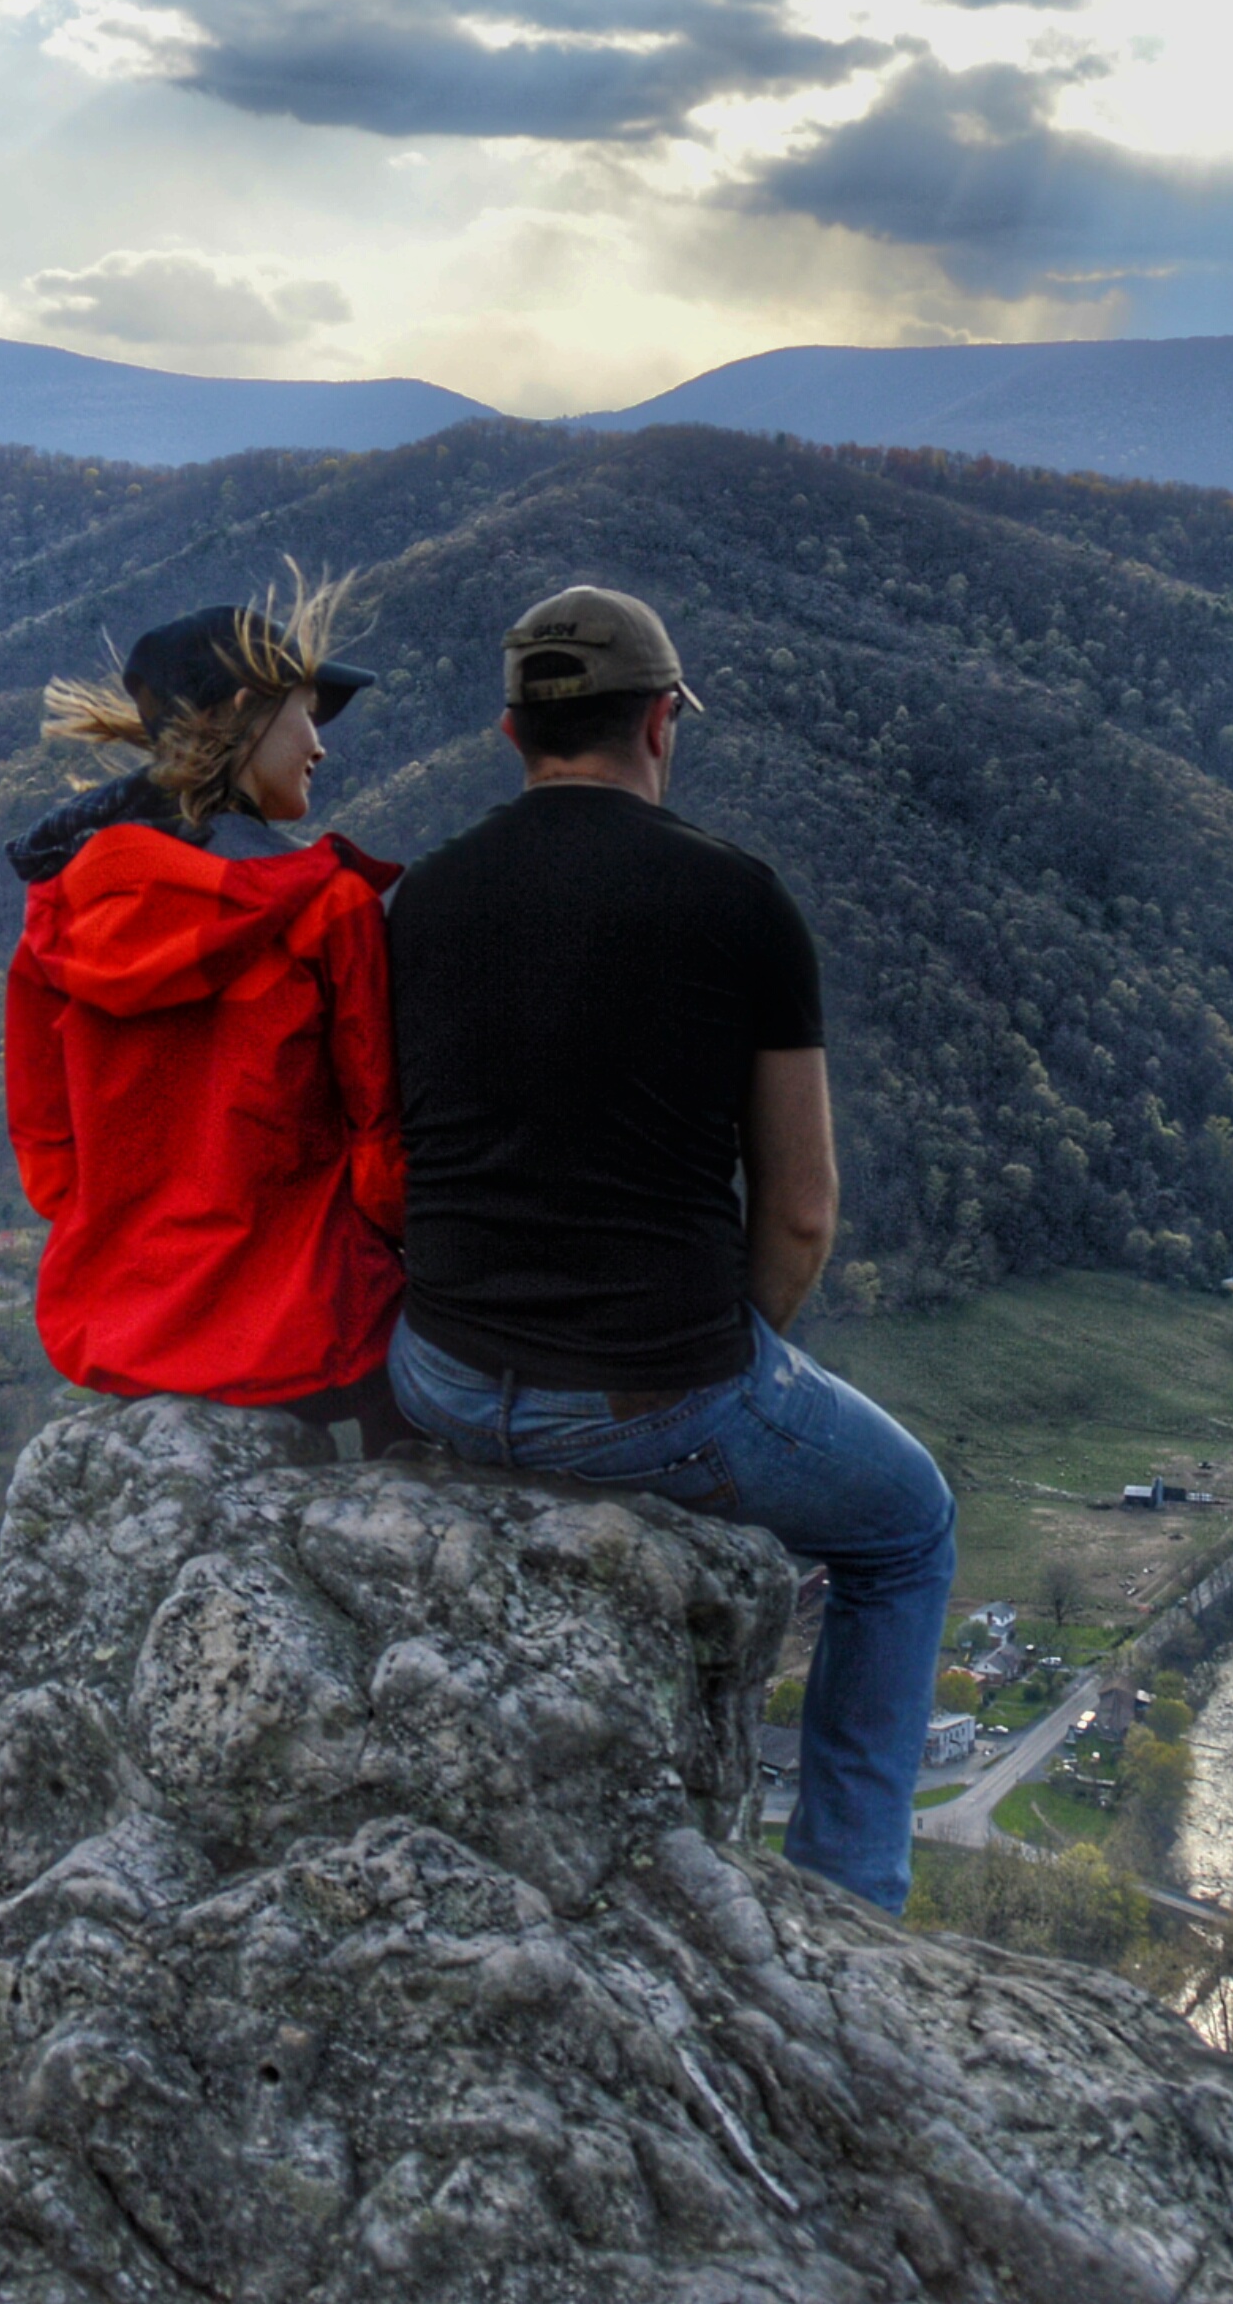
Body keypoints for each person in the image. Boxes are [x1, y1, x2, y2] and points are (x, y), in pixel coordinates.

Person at [382, 583, 957, 1912]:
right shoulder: (737, 902)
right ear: (660, 721)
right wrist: (720, 1361)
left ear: (513, 731)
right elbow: (803, 1209)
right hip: (650, 1400)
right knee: (908, 1526)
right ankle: (852, 1893)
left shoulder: (425, 897)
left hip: (442, 1377)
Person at [1, 577, 409, 1447]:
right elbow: (383, 1161)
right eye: (307, 714)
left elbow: (48, 1162)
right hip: (309, 1336)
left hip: (127, 1334)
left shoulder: (62, 915)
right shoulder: (329, 908)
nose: (320, 747)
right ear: (242, 712)